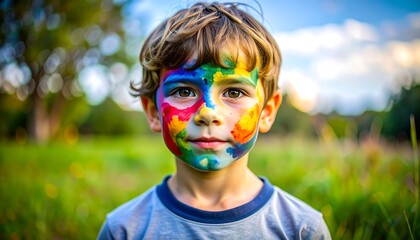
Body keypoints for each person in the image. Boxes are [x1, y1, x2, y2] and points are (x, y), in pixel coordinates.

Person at [98, 2, 331, 239]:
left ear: (267, 112)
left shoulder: (302, 229)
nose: (208, 113)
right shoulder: (123, 229)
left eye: (234, 93)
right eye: (183, 91)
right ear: (153, 112)